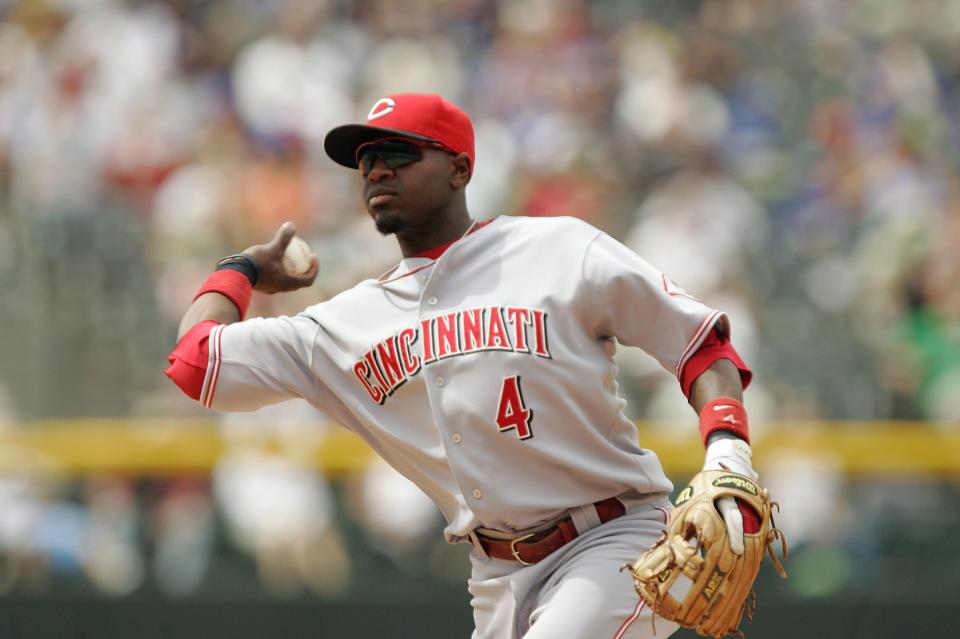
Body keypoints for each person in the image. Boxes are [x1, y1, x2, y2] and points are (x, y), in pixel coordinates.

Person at [165, 93, 757, 639]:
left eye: (398, 153)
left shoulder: (559, 250)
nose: (376, 170)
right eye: (366, 160)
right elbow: (195, 363)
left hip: (612, 539)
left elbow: (701, 344)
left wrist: (729, 452)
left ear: (460, 169)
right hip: (494, 577)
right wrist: (239, 268)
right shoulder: (343, 326)